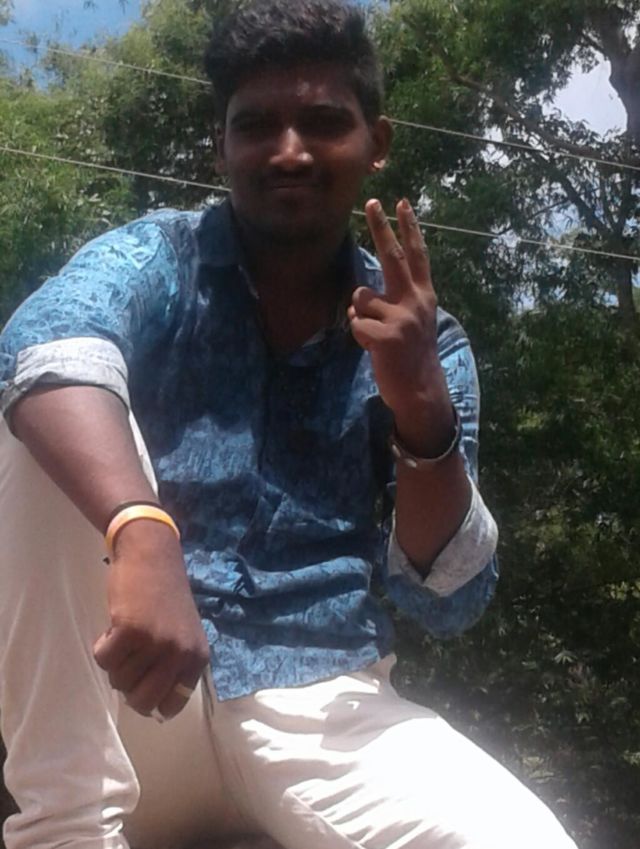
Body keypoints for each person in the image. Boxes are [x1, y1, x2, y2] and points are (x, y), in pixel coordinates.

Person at [0, 2, 577, 848]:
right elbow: (44, 345)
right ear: (221, 147)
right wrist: (141, 527)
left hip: (324, 709)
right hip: (130, 693)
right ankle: (67, 828)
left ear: (376, 142)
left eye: (324, 122)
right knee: (44, 398)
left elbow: (447, 600)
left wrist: (421, 405)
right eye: (257, 125)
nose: (290, 150)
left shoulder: (424, 337)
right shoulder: (158, 260)